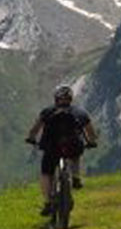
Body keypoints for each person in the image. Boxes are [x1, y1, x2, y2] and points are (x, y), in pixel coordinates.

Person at [26, 86, 98, 215]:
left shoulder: (47, 112)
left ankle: (48, 203)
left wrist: (31, 138)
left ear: (56, 99)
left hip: (51, 147)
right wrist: (91, 142)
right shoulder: (80, 112)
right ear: (70, 99)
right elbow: (91, 132)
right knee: (76, 154)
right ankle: (76, 177)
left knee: (46, 173)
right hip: (72, 146)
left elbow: (35, 129)